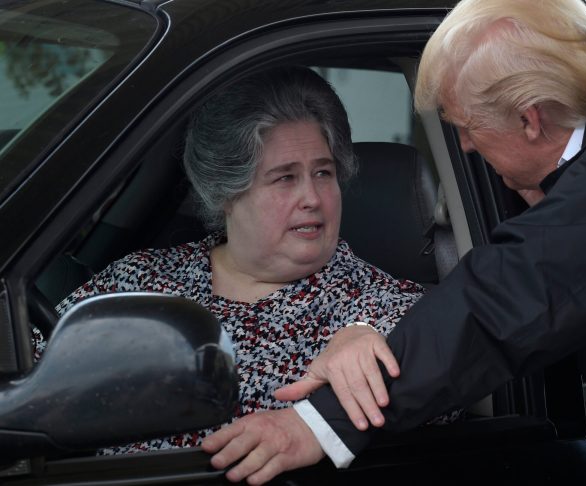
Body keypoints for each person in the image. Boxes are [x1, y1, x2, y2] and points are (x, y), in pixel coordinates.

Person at [200, 0, 586, 485]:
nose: (465, 147)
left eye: (467, 127)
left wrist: (321, 421)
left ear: (529, 120)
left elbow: (523, 283)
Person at [53, 65, 423, 454]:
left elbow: (435, 379)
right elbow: (30, 369)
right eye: (285, 178)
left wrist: (367, 337)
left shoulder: (380, 306)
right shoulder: (141, 279)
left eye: (323, 173)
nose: (312, 198)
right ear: (227, 190)